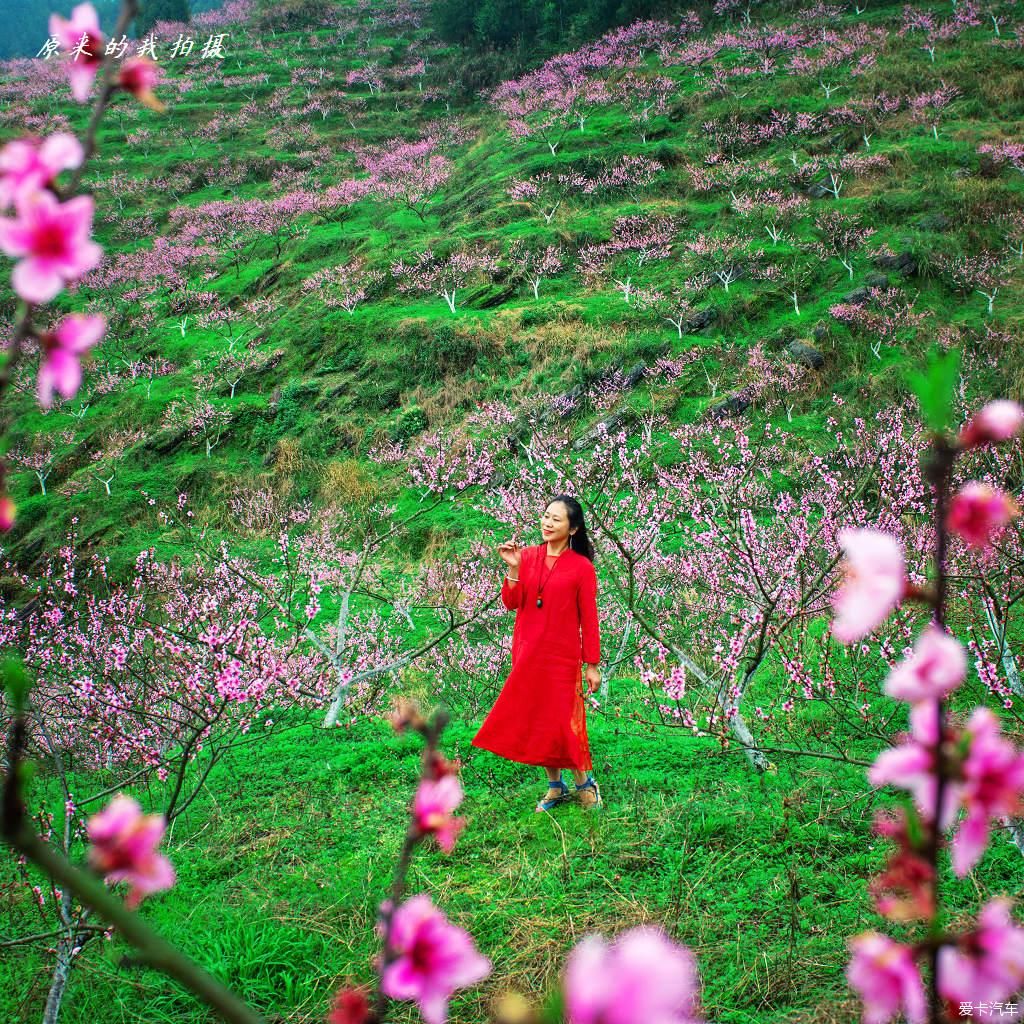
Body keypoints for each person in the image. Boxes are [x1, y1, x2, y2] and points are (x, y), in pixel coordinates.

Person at [470, 495, 603, 812]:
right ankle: (555, 787)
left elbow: (590, 618)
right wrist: (513, 569)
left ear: (572, 529)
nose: (547, 523)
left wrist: (592, 664)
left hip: (562, 656)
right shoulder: (526, 556)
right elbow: (511, 602)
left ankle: (585, 782)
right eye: (545, 516)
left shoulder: (582, 568)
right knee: (539, 719)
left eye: (556, 519)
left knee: (562, 720)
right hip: (528, 652)